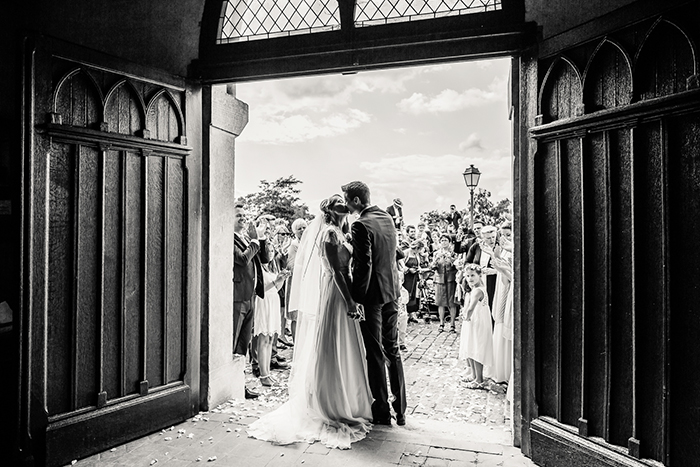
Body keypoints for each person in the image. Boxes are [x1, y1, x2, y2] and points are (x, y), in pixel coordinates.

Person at [248, 195, 373, 449]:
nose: (344, 204)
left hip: (343, 290)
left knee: (344, 345)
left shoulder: (340, 231)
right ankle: (330, 403)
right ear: (330, 209)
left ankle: (349, 397)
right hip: (335, 293)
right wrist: (349, 301)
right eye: (339, 202)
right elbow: (336, 271)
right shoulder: (328, 234)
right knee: (332, 346)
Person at [343, 181, 406, 426]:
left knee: (375, 353)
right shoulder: (387, 218)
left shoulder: (360, 224)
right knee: (393, 348)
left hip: (373, 298)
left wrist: (357, 298)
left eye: (346, 199)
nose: (346, 205)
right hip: (392, 292)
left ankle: (381, 410)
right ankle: (400, 410)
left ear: (356, 200)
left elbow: (364, 265)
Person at [233, 201, 270, 399]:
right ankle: (234, 384)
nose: (243, 218)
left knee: (244, 343)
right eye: (239, 215)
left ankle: (241, 384)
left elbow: (263, 260)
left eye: (244, 214)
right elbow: (242, 259)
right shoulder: (230, 237)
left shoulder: (247, 237)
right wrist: (255, 242)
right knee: (235, 342)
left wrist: (260, 239)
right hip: (238, 297)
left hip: (251, 297)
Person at [459, 264, 494, 390]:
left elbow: (471, 307)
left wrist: (466, 317)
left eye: (473, 275)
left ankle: (479, 379)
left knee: (477, 348)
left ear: (480, 275)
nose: (470, 278)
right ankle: (474, 376)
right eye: (467, 276)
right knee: (472, 347)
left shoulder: (478, 290)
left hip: (477, 321)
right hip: (477, 320)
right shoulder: (479, 288)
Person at [254, 264, 290, 386]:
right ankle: (263, 374)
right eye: (269, 245)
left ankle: (267, 373)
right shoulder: (258, 267)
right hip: (263, 302)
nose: (272, 250)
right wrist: (276, 281)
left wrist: (282, 279)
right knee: (263, 338)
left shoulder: (271, 267)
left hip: (273, 301)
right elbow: (259, 290)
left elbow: (276, 288)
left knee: (270, 339)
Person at [284, 218, 307, 344]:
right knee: (295, 316)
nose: (302, 230)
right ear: (294, 232)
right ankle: (296, 343)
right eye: (299, 229)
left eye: (304, 227)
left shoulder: (309, 243)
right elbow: (291, 265)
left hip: (306, 283)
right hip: (295, 284)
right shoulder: (294, 245)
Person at [465, 225, 498, 310]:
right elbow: (467, 262)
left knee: (492, 304)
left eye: (493, 237)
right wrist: (475, 268)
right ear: (483, 238)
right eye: (488, 238)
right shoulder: (476, 246)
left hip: (494, 280)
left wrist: (494, 271)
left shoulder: (499, 247)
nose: (492, 240)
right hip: (479, 281)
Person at [431, 233, 459, 333]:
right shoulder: (436, 253)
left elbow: (457, 265)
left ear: (450, 242)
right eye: (442, 240)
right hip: (440, 279)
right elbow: (433, 267)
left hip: (451, 279)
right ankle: (441, 323)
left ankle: (452, 324)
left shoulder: (454, 253)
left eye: (446, 240)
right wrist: (436, 261)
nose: (443, 242)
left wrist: (450, 259)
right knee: (440, 302)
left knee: (452, 302)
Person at [402, 239, 423, 324]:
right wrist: (408, 269)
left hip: (414, 277)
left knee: (413, 295)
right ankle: (405, 314)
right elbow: (401, 264)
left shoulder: (416, 255)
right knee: (406, 294)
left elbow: (418, 264)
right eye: (419, 249)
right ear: (416, 248)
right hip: (406, 277)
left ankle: (411, 314)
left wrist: (418, 269)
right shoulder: (406, 253)